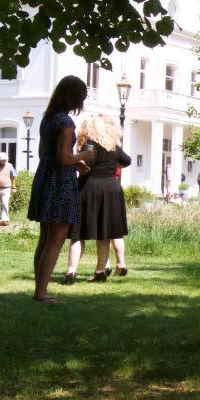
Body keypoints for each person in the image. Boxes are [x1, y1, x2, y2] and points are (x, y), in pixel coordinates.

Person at [27, 76, 95, 302]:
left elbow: (47, 154)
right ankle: (41, 293)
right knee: (56, 239)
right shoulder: (65, 122)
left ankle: (40, 289)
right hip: (60, 183)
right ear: (74, 98)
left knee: (45, 238)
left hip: (45, 177)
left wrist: (75, 162)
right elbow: (63, 157)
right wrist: (83, 156)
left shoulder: (48, 119)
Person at [63, 114, 131, 284]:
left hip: (88, 187)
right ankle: (100, 270)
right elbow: (127, 161)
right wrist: (112, 166)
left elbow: (83, 165)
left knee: (77, 234)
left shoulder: (89, 145)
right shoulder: (114, 147)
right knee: (105, 233)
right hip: (111, 188)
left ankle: (71, 271)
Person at [0, 151, 16, 226]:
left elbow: (13, 177)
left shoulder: (10, 165)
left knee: (4, 203)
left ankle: (5, 219)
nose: (4, 161)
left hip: (6, 187)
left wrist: (13, 187)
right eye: (3, 160)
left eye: (5, 160)